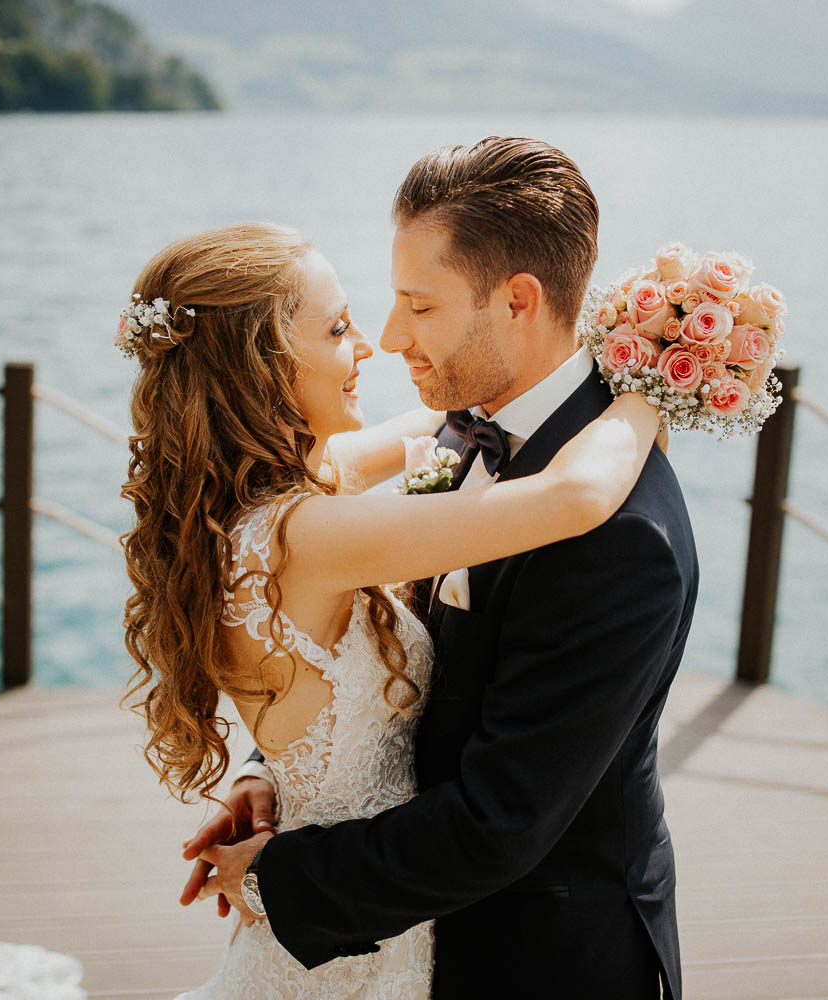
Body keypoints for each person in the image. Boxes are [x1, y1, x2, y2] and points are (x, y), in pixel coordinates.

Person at [178, 137, 700, 1000]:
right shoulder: (459, 431)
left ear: (518, 302)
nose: (388, 339)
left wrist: (279, 878)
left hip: (541, 958)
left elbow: (502, 820)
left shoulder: (620, 535)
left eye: (417, 306)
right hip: (410, 935)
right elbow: (408, 681)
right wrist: (283, 774)